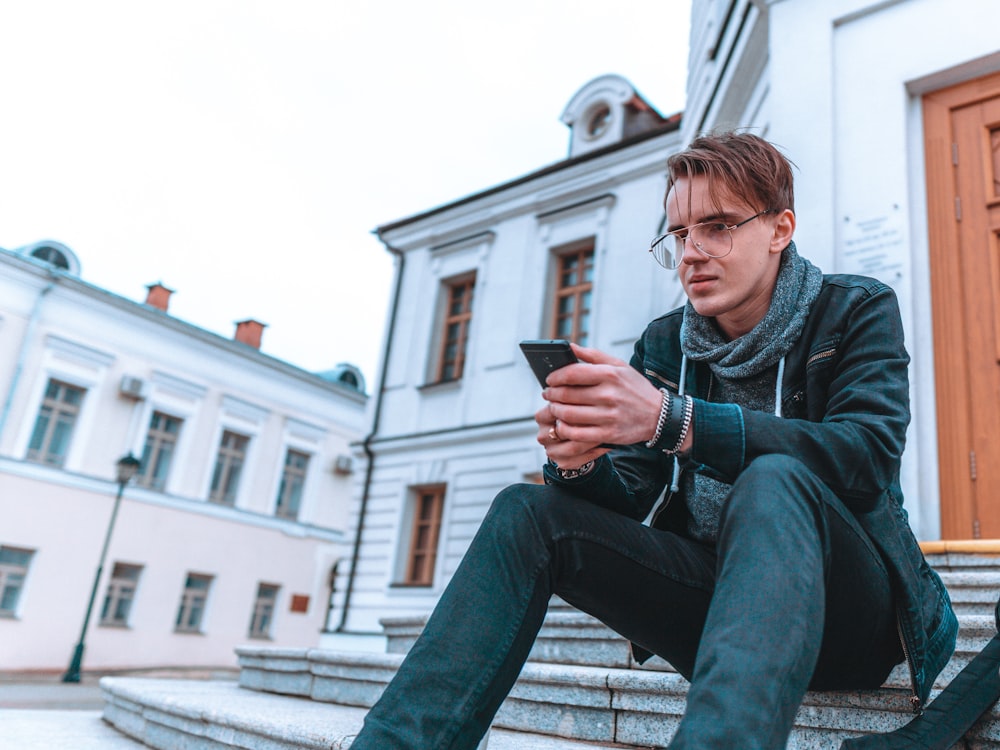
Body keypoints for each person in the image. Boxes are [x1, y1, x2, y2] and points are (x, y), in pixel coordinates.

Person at [349, 132, 958, 749]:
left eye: (716, 227)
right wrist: (580, 464)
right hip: (715, 610)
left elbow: (865, 458)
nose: (691, 253)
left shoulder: (854, 311)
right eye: (679, 234)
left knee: (774, 478)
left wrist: (676, 421)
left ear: (780, 229)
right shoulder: (666, 345)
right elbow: (641, 500)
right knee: (525, 511)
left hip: (850, 616)